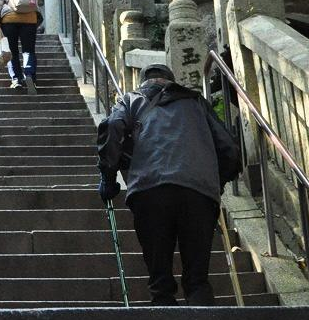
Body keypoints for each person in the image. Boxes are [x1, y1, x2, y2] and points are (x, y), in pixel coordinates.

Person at [96, 64, 241, 306]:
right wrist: (218, 182)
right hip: (198, 192)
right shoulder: (196, 103)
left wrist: (108, 178)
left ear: (144, 82)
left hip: (149, 191)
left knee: (160, 277)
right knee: (197, 277)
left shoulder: (131, 99)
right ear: (171, 81)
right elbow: (229, 149)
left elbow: (112, 128)